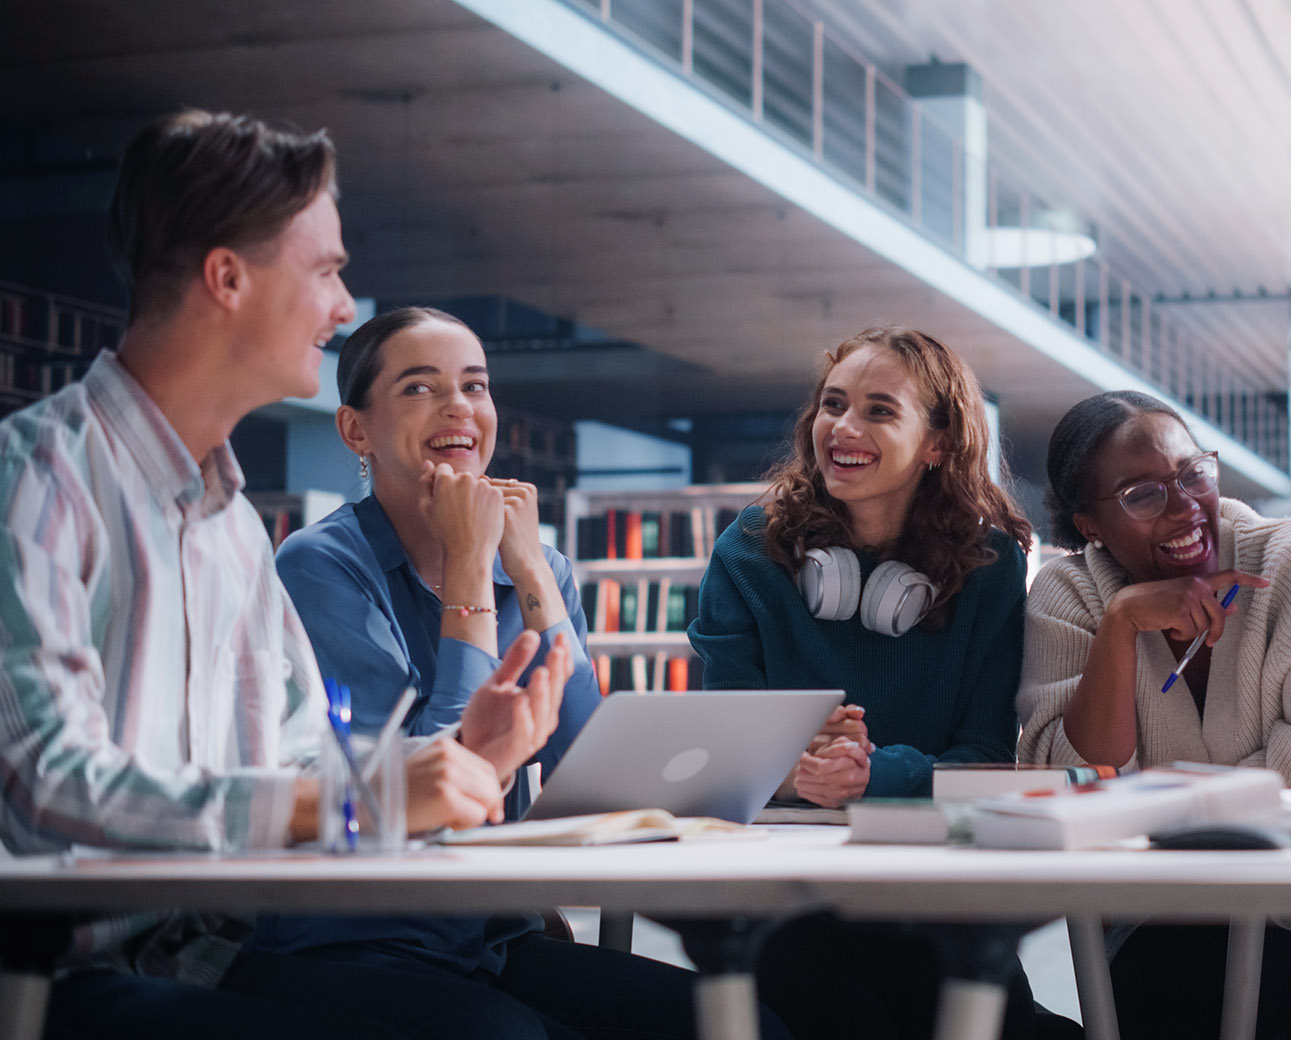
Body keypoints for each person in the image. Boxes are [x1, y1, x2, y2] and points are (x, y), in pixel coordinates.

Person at [0, 109, 588, 1040]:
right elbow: (49, 781)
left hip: (217, 956)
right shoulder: (37, 476)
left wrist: (458, 755)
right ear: (227, 279)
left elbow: (308, 758)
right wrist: (359, 795)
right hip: (63, 976)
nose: (344, 308)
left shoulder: (231, 524)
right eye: (326, 271)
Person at [258, 304, 772, 1040]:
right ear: (354, 430)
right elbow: (420, 796)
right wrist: (469, 569)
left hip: (487, 939)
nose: (459, 407)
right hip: (353, 942)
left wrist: (531, 570)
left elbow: (589, 770)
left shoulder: (537, 561)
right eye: (419, 388)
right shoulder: (319, 566)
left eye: (475, 385)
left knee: (734, 1022)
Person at [686, 326, 1066, 1040]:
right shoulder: (750, 550)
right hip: (784, 891)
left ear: (938, 444)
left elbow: (985, 759)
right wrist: (791, 775)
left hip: (933, 881)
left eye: (879, 410)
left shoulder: (989, 569)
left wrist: (872, 775)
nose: (843, 428)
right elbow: (724, 750)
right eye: (833, 404)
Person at [1018, 388, 1291, 1039]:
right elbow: (1078, 780)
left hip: (1288, 909)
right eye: (1142, 495)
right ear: (1088, 524)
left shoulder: (1287, 560)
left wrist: (1154, 792)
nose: (1184, 509)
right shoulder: (1073, 591)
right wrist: (1120, 626)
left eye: (1192, 475)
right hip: (1151, 918)